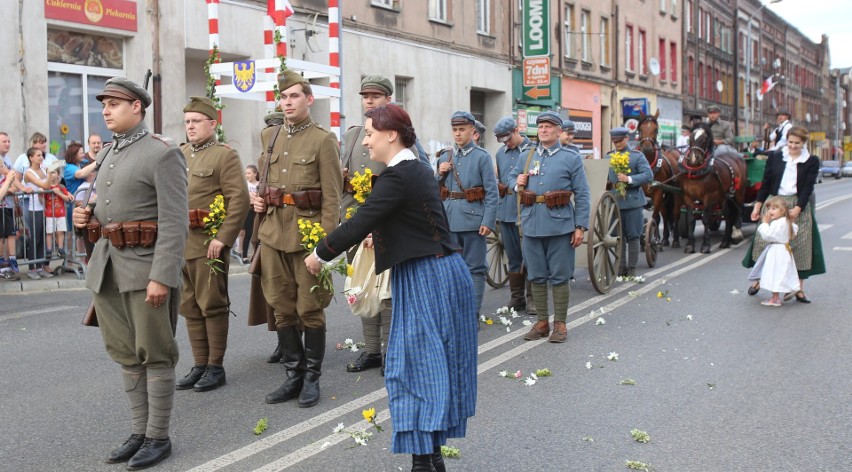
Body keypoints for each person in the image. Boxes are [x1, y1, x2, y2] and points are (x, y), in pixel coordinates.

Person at [306, 104, 476, 472]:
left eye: (369, 133)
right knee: (429, 367)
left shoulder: (400, 176)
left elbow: (362, 217)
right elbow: (397, 219)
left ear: (390, 134)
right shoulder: (415, 169)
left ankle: (423, 463)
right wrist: (376, 234)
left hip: (427, 275)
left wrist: (320, 254)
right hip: (437, 271)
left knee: (412, 368)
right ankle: (429, 458)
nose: (365, 141)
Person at [72, 77, 188, 469]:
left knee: (155, 353)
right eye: (104, 103)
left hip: (144, 270)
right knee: (124, 353)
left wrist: (163, 276)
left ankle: (159, 437)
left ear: (137, 107)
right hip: (108, 269)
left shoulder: (162, 154)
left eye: (115, 104)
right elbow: (107, 212)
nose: (106, 110)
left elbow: (174, 223)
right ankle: (139, 431)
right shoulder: (107, 152)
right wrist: (83, 220)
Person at [249, 70, 342, 408]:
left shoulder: (323, 140)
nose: (288, 103)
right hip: (273, 234)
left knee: (310, 308)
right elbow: (265, 183)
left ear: (308, 99)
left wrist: (327, 248)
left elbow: (332, 198)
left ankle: (312, 378)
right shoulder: (269, 136)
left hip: (308, 238)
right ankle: (293, 374)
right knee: (281, 306)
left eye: (294, 97)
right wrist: (258, 200)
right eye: (284, 97)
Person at [175, 96, 249, 393]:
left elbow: (239, 200)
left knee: (212, 304)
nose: (190, 127)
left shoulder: (224, 156)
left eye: (195, 121)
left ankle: (215, 366)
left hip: (209, 243)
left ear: (212, 124)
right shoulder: (179, 154)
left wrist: (223, 238)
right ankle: (200, 364)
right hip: (182, 242)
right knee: (189, 305)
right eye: (187, 122)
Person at [337, 75, 402, 375]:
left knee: (385, 291)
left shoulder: (398, 133)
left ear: (388, 99)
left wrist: (382, 228)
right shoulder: (352, 136)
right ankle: (372, 350)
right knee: (360, 288)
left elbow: (410, 180)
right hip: (354, 224)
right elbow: (340, 180)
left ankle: (389, 352)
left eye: (376, 95)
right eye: (365, 95)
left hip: (385, 226)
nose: (369, 100)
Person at [509, 111, 591, 343]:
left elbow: (583, 194)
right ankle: (542, 322)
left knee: (560, 275)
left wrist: (580, 226)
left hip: (560, 225)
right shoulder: (528, 155)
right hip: (532, 223)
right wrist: (517, 184)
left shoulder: (570, 157)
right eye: (541, 126)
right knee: (536, 274)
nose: (543, 130)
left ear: (558, 131)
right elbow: (512, 179)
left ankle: (561, 324)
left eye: (548, 126)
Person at [744, 126, 825, 303]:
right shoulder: (775, 157)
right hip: (774, 202)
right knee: (763, 243)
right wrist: (758, 206)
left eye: (797, 143)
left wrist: (798, 208)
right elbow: (765, 183)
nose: (793, 146)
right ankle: (759, 280)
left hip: (797, 204)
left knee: (800, 246)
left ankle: (799, 289)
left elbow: (807, 188)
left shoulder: (811, 161)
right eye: (790, 142)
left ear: (803, 143)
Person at [436, 111, 498, 317]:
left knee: (476, 269)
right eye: (455, 130)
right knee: (451, 268)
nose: (458, 134)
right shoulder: (445, 157)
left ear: (473, 131)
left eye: (462, 130)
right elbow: (435, 191)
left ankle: (472, 314)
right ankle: (455, 313)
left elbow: (491, 192)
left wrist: (488, 221)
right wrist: (439, 173)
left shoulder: (482, 157)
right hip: (449, 220)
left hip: (473, 221)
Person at [493, 116, 534, 313]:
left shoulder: (533, 150)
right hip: (507, 211)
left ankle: (533, 298)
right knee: (513, 256)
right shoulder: (500, 154)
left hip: (526, 210)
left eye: (508, 138)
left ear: (517, 130)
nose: (506, 143)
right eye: (502, 140)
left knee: (531, 255)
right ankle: (517, 298)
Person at [606, 127, 653, 277]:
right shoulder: (608, 157)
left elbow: (648, 175)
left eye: (620, 141)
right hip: (614, 201)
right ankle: (621, 266)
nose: (617, 144)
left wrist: (629, 179)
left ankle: (632, 268)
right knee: (618, 236)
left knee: (633, 235)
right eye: (615, 142)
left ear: (627, 138)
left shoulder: (637, 156)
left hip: (632, 201)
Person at [747, 197, 799, 306]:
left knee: (774, 273)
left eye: (774, 208)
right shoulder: (786, 222)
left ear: (783, 211)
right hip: (784, 250)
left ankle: (775, 299)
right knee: (782, 272)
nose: (770, 211)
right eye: (769, 208)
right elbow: (794, 230)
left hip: (776, 251)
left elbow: (768, 235)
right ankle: (790, 288)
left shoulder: (777, 223)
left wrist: (765, 223)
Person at [21, 147, 52, 279]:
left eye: (42, 155)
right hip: (35, 209)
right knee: (35, 238)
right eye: (38, 155)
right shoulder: (29, 172)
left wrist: (49, 175)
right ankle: (32, 268)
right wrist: (50, 174)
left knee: (42, 240)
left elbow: (49, 185)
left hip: (45, 208)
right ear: (31, 158)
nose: (41, 157)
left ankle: (39, 266)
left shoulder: (44, 168)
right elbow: (45, 186)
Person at [0, 132, 26, 279]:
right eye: (4, 141)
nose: (7, 144)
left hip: (8, 204)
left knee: (10, 233)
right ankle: (3, 263)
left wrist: (16, 198)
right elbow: (8, 176)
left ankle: (11, 260)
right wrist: (21, 188)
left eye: (9, 141)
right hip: (1, 203)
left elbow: (13, 180)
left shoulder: (8, 159)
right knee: (1, 236)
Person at [43, 166, 73, 262]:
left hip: (60, 213)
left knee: (60, 231)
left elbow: (67, 198)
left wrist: (59, 192)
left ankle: (60, 248)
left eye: (54, 172)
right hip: (49, 213)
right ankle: (49, 249)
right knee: (49, 232)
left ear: (58, 174)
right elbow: (42, 198)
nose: (52, 175)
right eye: (49, 173)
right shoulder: (46, 187)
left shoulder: (61, 186)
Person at [238, 164, 259, 264]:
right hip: (248, 210)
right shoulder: (245, 185)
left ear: (255, 173)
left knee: (257, 234)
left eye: (249, 173)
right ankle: (244, 255)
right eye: (246, 173)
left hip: (258, 210)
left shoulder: (259, 184)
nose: (247, 175)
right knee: (247, 233)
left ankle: (255, 254)